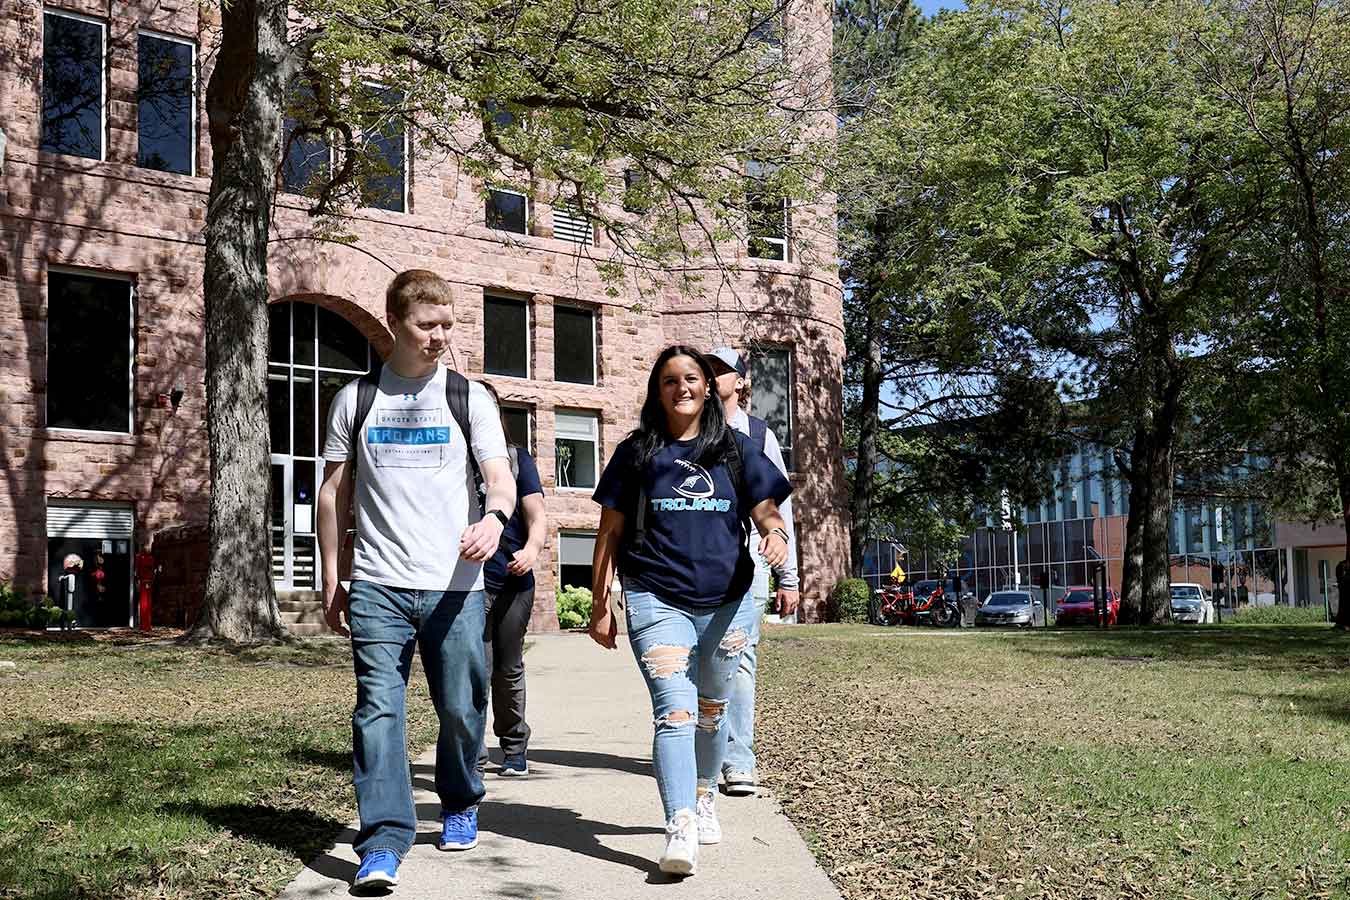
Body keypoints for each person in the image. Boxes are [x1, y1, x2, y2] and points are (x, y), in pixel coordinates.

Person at [317, 269, 516, 892]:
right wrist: (333, 577)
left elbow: (500, 477)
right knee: (378, 712)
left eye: (447, 326)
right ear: (396, 323)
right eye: (427, 326)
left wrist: (494, 518)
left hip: (456, 585)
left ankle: (459, 798)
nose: (440, 338)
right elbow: (332, 496)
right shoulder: (356, 400)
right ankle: (382, 840)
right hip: (378, 582)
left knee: (461, 709)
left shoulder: (469, 398)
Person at [588, 345, 792, 876]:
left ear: (708, 388)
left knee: (711, 710)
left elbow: (767, 509)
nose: (683, 387)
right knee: (674, 710)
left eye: (693, 379)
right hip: (656, 596)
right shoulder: (637, 453)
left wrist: (775, 535)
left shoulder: (737, 449)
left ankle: (704, 797)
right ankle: (679, 823)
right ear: (658, 392)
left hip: (729, 602)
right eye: (671, 380)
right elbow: (609, 531)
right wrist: (599, 603)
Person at [704, 346, 799, 798]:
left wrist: (789, 577)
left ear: (741, 382)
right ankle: (704, 749)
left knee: (740, 661)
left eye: (721, 371)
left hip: (750, 567)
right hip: (697, 567)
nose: (712, 377)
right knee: (700, 661)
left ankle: (738, 760)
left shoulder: (760, 437)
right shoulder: (689, 432)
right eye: (709, 370)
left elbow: (782, 512)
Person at [476, 380, 547, 777]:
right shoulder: (453, 458)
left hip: (513, 580)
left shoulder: (518, 459)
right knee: (474, 668)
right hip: (467, 582)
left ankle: (515, 747)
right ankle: (473, 754)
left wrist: (532, 550)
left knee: (507, 667)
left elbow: (536, 516)